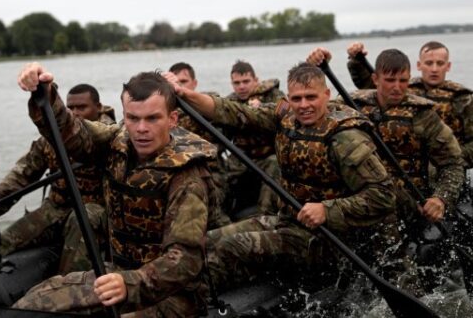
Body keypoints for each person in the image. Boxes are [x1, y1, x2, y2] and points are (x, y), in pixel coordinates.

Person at [166, 63, 397, 292]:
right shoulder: (285, 117)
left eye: (311, 97)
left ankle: (192, 294)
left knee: (233, 245)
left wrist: (327, 210)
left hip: (330, 241)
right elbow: (233, 111)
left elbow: (384, 196)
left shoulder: (346, 139)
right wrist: (184, 93)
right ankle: (165, 284)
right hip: (289, 221)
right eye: (296, 99)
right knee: (206, 240)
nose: (304, 105)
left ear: (326, 95)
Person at [13, 64, 217, 317]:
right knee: (34, 302)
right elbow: (72, 132)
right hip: (117, 273)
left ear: (172, 119)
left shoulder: (187, 175)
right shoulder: (116, 142)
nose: (141, 128)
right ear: (124, 117)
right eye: (133, 118)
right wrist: (45, 94)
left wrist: (129, 283)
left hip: (174, 293)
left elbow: (185, 260)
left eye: (152, 118)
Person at [308, 47, 466, 289]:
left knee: (383, 202)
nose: (397, 87)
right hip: (358, 194)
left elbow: (453, 163)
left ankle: (405, 283)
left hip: (407, 201)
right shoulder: (353, 105)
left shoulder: (423, 116)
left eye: (403, 80)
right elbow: (313, 105)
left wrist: (441, 199)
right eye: (390, 80)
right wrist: (313, 68)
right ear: (375, 79)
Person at [0, 83, 115, 274]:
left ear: (98, 108)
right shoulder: (50, 140)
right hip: (57, 208)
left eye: (82, 107)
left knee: (83, 220)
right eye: (70, 108)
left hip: (95, 211)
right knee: (2, 243)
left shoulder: (111, 138)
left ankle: (68, 286)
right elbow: (21, 176)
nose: (75, 113)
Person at [346, 41, 473, 169]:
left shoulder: (462, 98)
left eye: (440, 63)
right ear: (419, 65)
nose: (434, 69)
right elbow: (371, 88)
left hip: (445, 162)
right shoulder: (402, 87)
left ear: (448, 66)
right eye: (429, 63)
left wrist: (449, 158)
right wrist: (356, 61)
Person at [169, 62, 230, 228]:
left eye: (183, 81)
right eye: (175, 83)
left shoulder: (205, 103)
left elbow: (217, 107)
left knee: (204, 204)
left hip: (211, 173)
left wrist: (184, 94)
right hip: (178, 174)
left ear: (194, 84)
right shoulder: (165, 112)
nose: (178, 87)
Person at [225, 60, 286, 217]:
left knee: (274, 164)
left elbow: (286, 114)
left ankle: (265, 214)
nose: (242, 86)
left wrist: (262, 110)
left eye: (246, 81)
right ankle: (220, 216)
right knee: (219, 176)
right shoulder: (230, 103)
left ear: (256, 80)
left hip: (268, 155)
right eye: (236, 83)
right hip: (241, 156)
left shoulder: (272, 95)